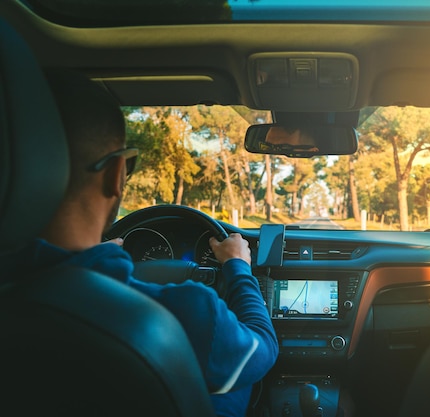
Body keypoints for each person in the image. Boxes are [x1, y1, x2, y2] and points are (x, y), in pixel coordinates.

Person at [17, 70, 278, 417]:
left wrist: (104, 261)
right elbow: (264, 348)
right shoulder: (192, 314)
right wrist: (238, 268)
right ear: (117, 175)